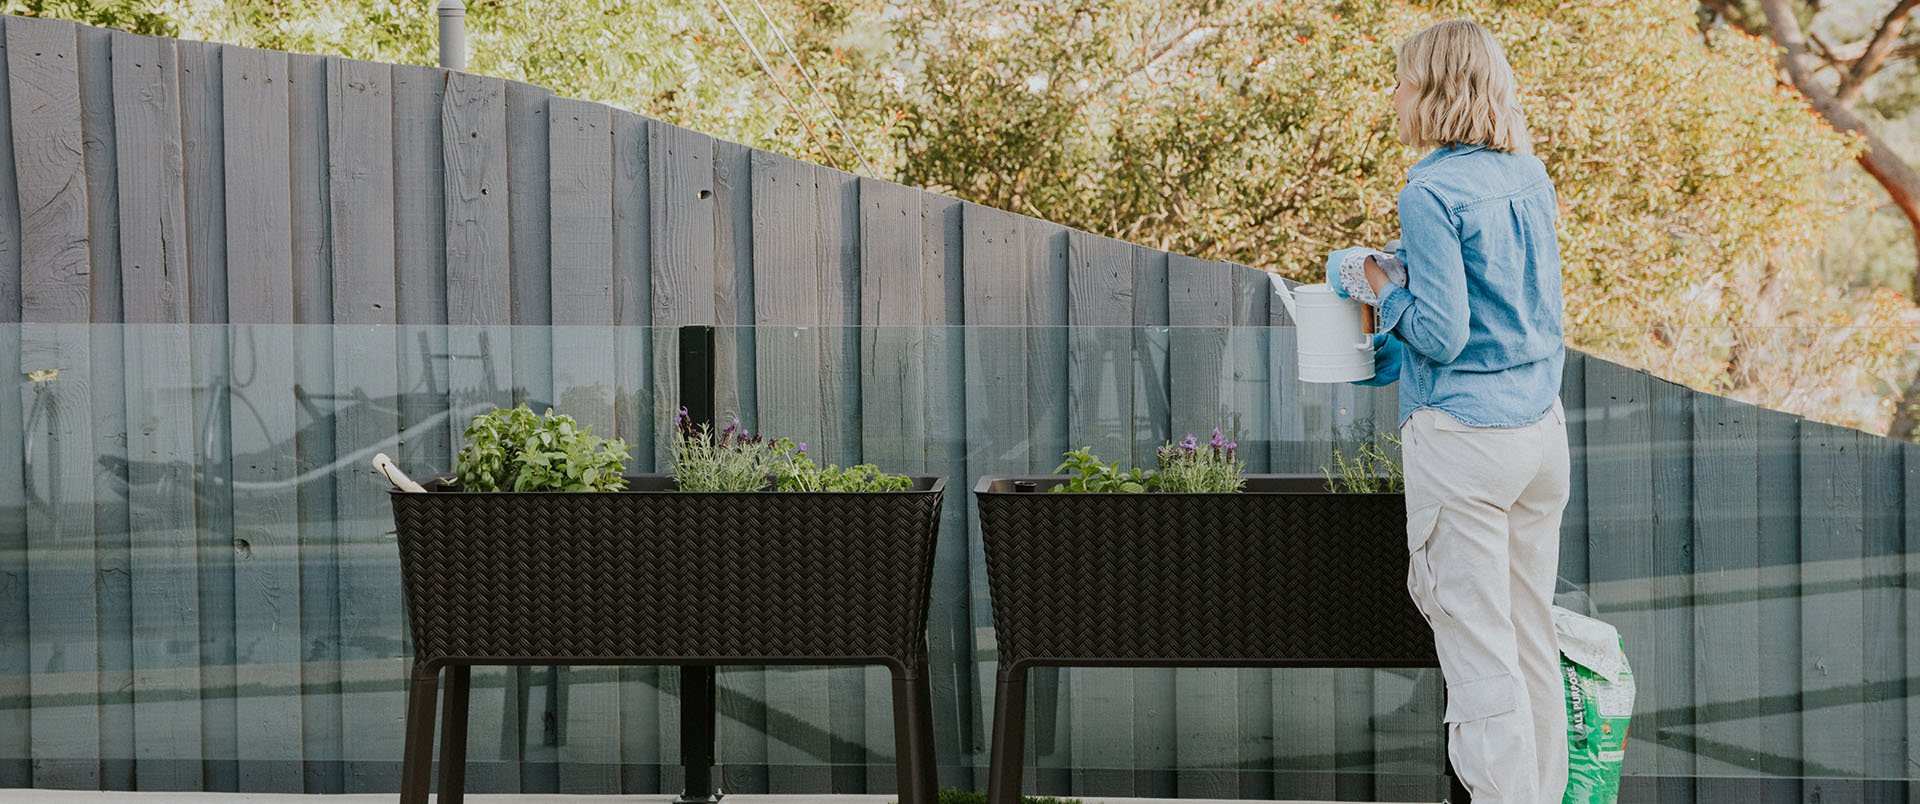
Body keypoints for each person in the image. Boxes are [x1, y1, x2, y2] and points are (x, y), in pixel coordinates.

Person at [1329, 18, 1572, 804]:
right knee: (1531, 638)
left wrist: (1374, 279)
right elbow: (1514, 303)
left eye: (1403, 79)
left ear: (1432, 90)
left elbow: (1443, 331)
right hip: (1539, 435)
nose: (1395, 94)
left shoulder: (1429, 190)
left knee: (1478, 655)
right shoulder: (1528, 176)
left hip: (1464, 439)